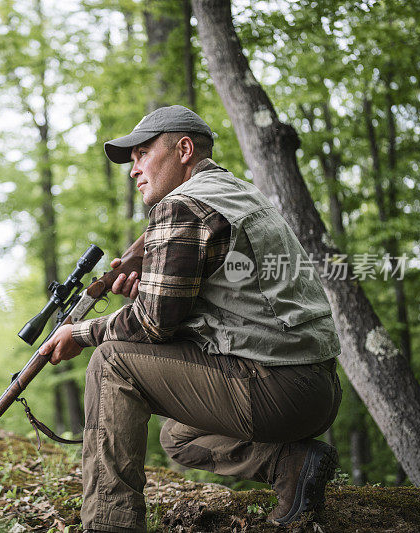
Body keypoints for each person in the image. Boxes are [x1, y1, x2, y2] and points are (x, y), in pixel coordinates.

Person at [39, 105, 342, 532]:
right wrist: (149, 286)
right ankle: (293, 464)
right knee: (179, 435)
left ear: (183, 149)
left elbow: (154, 324)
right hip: (316, 387)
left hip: (275, 387)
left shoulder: (182, 205)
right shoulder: (239, 193)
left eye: (142, 153)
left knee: (111, 362)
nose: (133, 169)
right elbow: (230, 304)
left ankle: (109, 524)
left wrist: (80, 331)